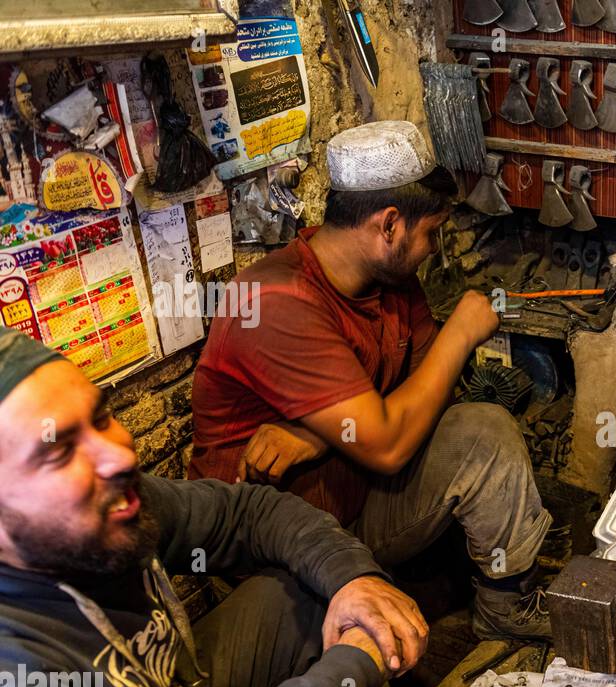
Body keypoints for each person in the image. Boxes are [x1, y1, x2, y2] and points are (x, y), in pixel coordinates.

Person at [0, 328, 425, 687]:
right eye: (60, 451)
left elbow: (246, 513)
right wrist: (356, 664)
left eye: (102, 417)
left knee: (307, 599)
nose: (118, 454)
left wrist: (352, 580)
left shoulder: (110, 505)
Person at [189, 121, 550, 640]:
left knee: (482, 433)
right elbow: (386, 446)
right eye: (430, 234)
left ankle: (505, 607)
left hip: (352, 501)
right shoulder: (274, 302)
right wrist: (460, 335)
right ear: (389, 226)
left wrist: (318, 435)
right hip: (278, 551)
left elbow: (431, 390)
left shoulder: (390, 280)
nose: (432, 249)